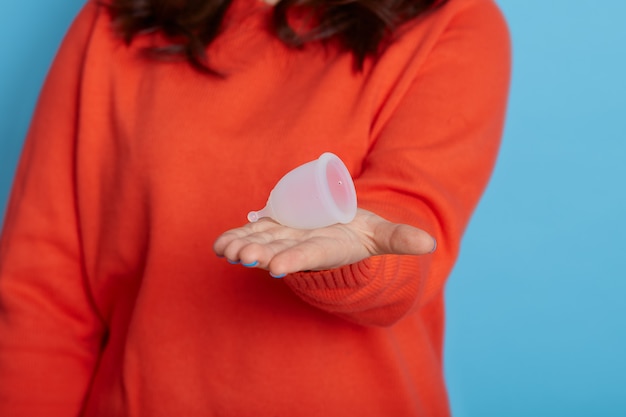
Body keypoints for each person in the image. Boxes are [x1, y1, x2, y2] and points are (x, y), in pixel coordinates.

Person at [0, 0, 510, 415]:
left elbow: (408, 228)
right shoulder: (116, 20)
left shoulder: (454, 20)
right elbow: (43, 295)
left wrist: (356, 257)